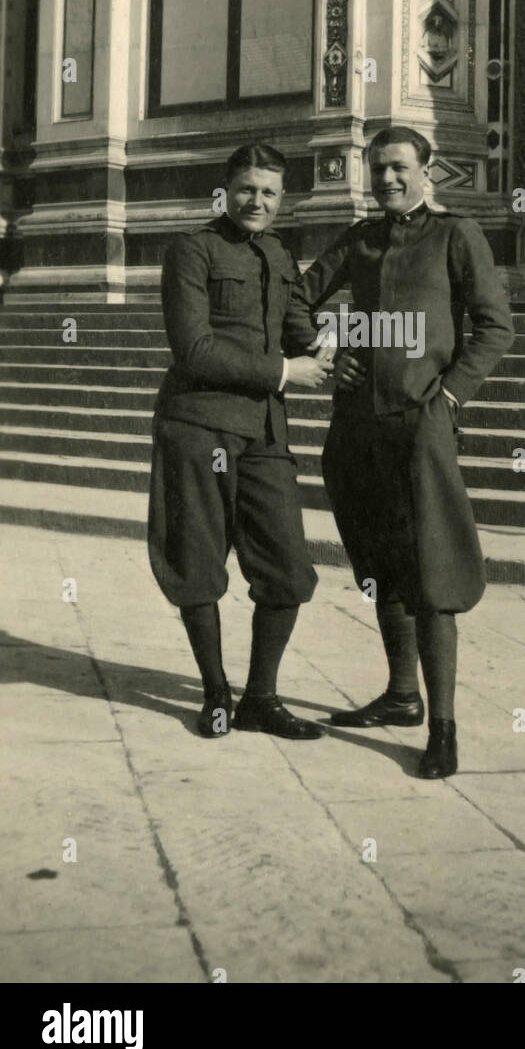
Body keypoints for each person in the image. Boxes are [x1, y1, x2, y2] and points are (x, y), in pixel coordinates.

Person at [300, 127, 514, 778]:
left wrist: (449, 397)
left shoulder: (456, 237)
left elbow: (494, 324)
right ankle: (400, 696)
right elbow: (297, 296)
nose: (387, 179)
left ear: (428, 170)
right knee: (380, 566)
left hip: (423, 433)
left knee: (434, 578)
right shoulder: (359, 239)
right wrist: (326, 353)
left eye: (398, 168)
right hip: (359, 432)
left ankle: (443, 729)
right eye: (377, 169)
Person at [148, 143, 332, 741]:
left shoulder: (279, 254)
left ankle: (261, 697)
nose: (258, 201)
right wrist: (284, 372)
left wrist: (334, 348)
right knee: (198, 563)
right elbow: (194, 348)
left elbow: (299, 328)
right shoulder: (191, 251)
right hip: (199, 425)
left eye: (270, 193)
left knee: (288, 569)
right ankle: (215, 694)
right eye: (248, 189)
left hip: (265, 434)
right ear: (225, 189)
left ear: (283, 200)